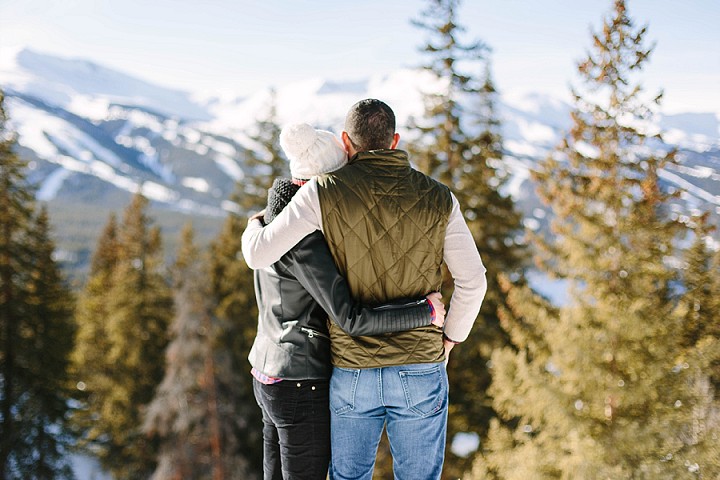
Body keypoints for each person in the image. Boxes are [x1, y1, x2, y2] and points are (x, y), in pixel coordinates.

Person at [242, 100, 487, 480]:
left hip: (353, 368)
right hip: (420, 361)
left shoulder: (322, 192)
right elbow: (474, 281)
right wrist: (451, 337)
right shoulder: (439, 197)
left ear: (346, 141)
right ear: (395, 140)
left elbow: (259, 253)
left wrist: (255, 221)